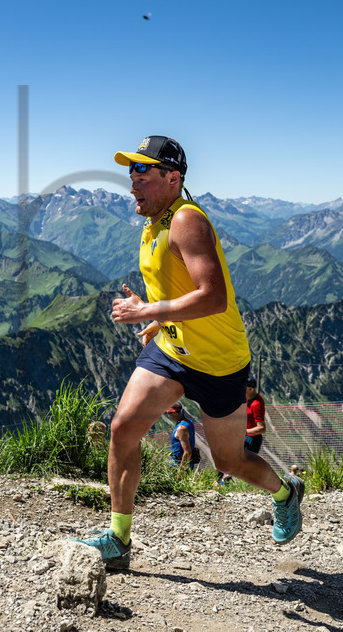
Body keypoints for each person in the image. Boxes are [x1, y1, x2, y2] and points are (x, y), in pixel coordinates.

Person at [74, 135, 305, 570]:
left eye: (142, 171)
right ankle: (118, 538)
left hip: (220, 364)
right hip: (172, 353)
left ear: (172, 177)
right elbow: (178, 287)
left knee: (230, 461)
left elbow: (213, 297)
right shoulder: (153, 223)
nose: (132, 182)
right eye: (131, 171)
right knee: (123, 429)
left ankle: (286, 492)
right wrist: (160, 321)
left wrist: (147, 309)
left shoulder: (186, 221)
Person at [220, 377, 265, 484]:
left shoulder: (256, 404)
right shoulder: (249, 399)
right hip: (245, 436)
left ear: (250, 388)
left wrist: (245, 432)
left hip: (252, 439)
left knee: (243, 464)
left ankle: (227, 482)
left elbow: (262, 428)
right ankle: (226, 481)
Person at [166, 403, 197, 469]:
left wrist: (180, 471)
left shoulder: (181, 429)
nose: (168, 416)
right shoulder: (189, 422)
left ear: (174, 413)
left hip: (179, 464)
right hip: (188, 463)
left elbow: (187, 453)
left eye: (168, 413)